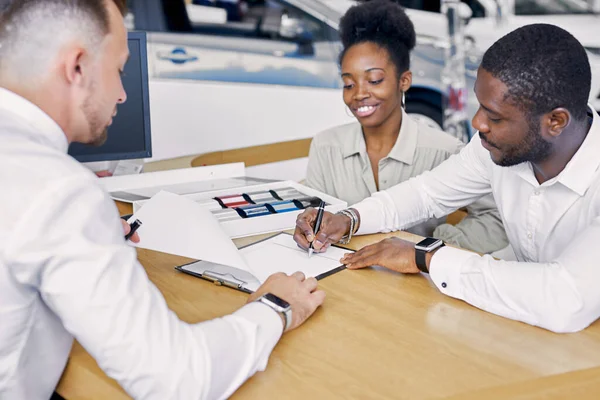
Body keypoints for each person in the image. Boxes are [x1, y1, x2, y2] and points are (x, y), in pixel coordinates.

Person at [0, 1, 324, 399]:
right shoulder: (60, 192)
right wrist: (276, 306)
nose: (122, 95)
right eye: (119, 70)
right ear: (78, 66)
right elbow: (176, 380)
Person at [295, 23, 600, 333]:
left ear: (556, 121)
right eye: (479, 105)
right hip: (522, 331)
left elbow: (566, 299)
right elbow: (427, 193)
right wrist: (350, 219)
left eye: (494, 116)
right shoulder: (495, 147)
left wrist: (426, 257)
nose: (477, 122)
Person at [305, 0, 507, 254]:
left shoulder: (445, 151)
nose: (359, 94)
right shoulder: (326, 146)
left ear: (404, 80)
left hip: (418, 286)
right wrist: (310, 224)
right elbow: (315, 214)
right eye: (348, 84)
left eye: (374, 80)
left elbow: (495, 218)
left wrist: (433, 251)